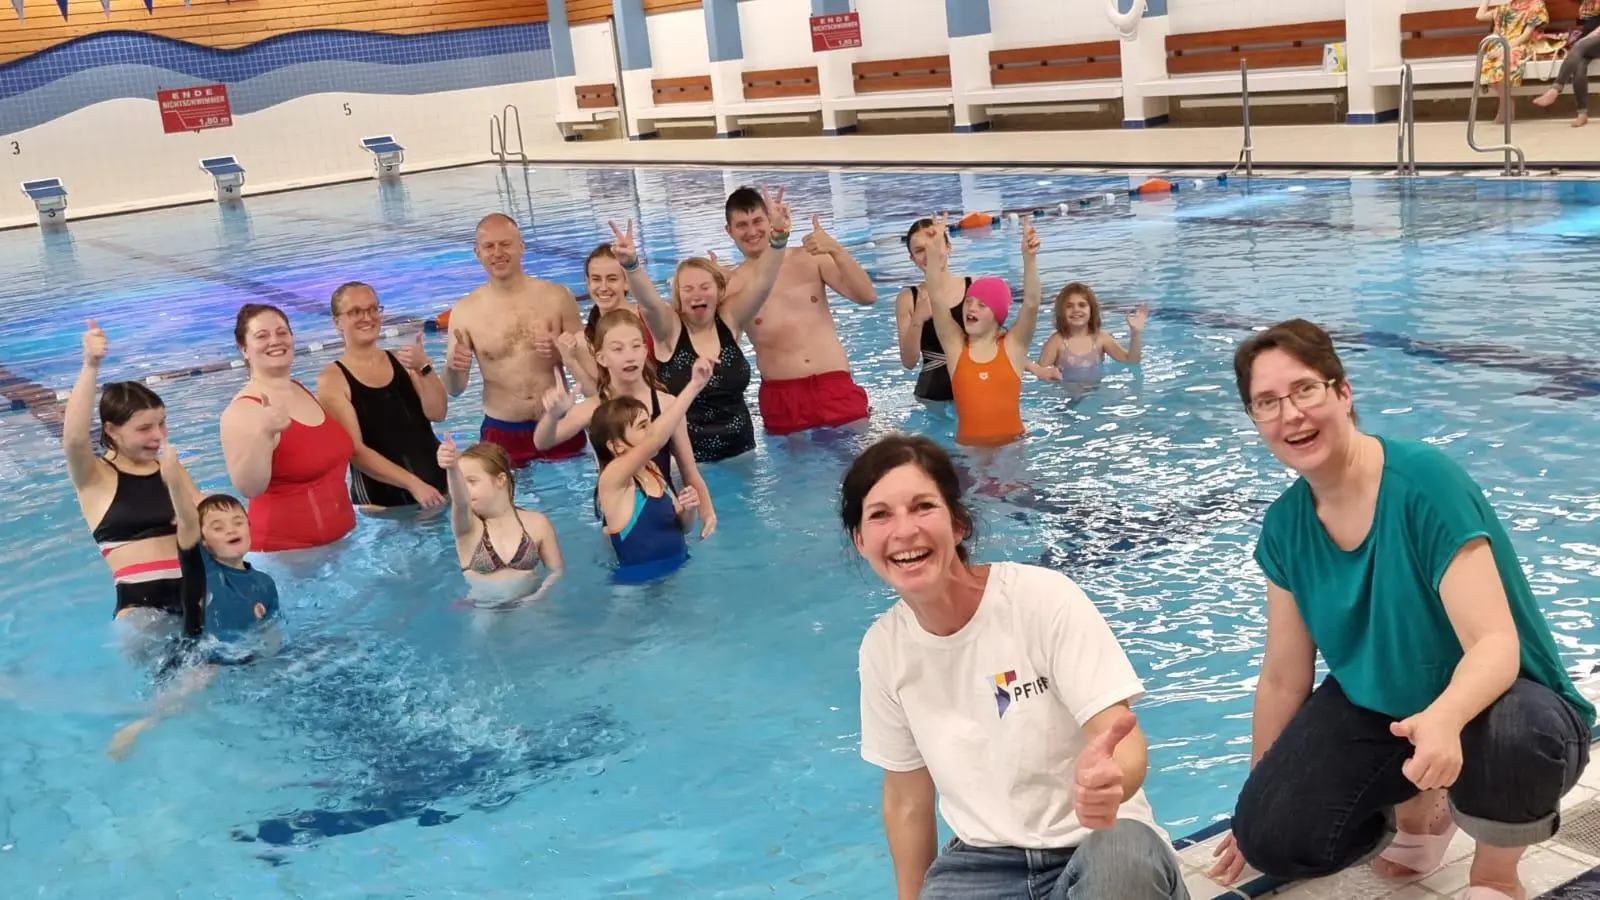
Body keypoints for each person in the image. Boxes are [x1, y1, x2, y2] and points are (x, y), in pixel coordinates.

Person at [1207, 319, 1593, 900]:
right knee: (1271, 836)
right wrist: (1259, 793)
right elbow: (1285, 678)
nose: (1290, 415)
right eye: (1267, 403)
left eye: (1305, 390)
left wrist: (1443, 720)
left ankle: (1495, 872)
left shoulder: (1422, 483)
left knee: (1514, 735)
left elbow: (1494, 645)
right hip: (1381, 707)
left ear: (1343, 391)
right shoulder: (1284, 528)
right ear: (1256, 420)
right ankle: (1420, 809)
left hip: (1506, 701)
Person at [840, 433, 1189, 900]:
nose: (904, 531)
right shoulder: (883, 649)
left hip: (1095, 840)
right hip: (981, 867)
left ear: (958, 523)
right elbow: (907, 800)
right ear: (861, 540)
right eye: (881, 514)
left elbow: (1121, 739)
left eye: (923, 506)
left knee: (1122, 862)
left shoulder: (1041, 599)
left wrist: (1112, 781)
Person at [109, 444, 283, 758]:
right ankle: (139, 726)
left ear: (250, 526)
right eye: (217, 527)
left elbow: (270, 629)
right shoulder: (201, 570)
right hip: (196, 658)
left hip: (238, 655)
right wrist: (173, 478)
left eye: (237, 522)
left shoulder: (265, 583)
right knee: (187, 693)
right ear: (203, 541)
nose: (230, 529)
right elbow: (188, 521)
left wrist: (268, 660)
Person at [610, 188, 792, 462]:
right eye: (688, 289)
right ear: (679, 298)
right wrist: (631, 266)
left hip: (744, 454)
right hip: (687, 462)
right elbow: (648, 303)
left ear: (719, 292)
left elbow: (763, 283)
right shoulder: (669, 329)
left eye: (705, 286)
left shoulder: (729, 320)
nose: (697, 294)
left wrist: (778, 237)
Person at [62, 319, 205, 639]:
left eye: (162, 424)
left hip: (194, 597)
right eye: (144, 429)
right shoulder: (96, 478)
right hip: (142, 613)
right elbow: (73, 441)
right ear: (111, 430)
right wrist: (90, 365)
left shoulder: (168, 466)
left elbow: (203, 517)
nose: (158, 436)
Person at [538, 309, 719, 537]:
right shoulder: (594, 408)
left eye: (636, 346)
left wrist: (707, 512)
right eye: (618, 349)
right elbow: (543, 442)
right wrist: (552, 415)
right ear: (601, 358)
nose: (630, 355)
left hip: (667, 513)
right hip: (618, 520)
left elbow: (689, 471)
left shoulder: (667, 404)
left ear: (645, 351)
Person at [721, 186, 878, 436]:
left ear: (770, 220)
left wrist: (836, 250)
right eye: (742, 225)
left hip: (834, 384)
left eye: (758, 221)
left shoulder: (810, 258)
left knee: (865, 469)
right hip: (782, 398)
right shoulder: (731, 285)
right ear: (729, 231)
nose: (751, 231)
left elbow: (867, 296)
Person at [442, 212, 587, 466]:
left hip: (559, 423)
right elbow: (455, 390)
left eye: (505, 244)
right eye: (489, 246)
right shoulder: (465, 312)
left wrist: (563, 352)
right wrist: (454, 367)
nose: (498, 252)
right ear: (478, 253)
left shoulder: (557, 297)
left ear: (521, 247)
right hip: (503, 430)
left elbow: (588, 371)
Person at [219, 303, 357, 552]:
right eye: (262, 336)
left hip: (341, 545)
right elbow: (248, 487)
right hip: (285, 556)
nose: (275, 341)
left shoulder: (301, 390)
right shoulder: (241, 411)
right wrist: (263, 435)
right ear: (244, 350)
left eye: (282, 332)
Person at [316, 281, 449, 511]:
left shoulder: (403, 361)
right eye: (355, 312)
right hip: (382, 506)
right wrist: (413, 484)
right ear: (338, 322)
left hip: (438, 489)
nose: (367, 317)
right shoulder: (332, 380)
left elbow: (438, 413)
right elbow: (355, 451)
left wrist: (424, 368)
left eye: (372, 309)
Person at [923, 214, 1044, 447]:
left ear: (997, 315)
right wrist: (934, 247)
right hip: (970, 454)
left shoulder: (1013, 346)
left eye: (982, 304)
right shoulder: (956, 347)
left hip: (1011, 450)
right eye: (969, 301)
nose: (971, 307)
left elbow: (1031, 303)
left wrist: (1029, 258)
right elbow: (936, 297)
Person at [590, 357, 713, 584]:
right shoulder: (613, 479)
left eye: (650, 423)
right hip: (636, 586)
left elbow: (683, 528)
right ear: (616, 446)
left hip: (678, 569)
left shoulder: (653, 470)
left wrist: (689, 509)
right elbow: (656, 440)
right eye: (642, 427)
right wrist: (694, 385)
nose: (651, 431)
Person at [435, 436, 563, 608]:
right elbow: (461, 501)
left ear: (501, 480)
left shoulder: (537, 523)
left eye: (471, 481)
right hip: (483, 609)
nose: (465, 488)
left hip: (529, 606)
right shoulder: (469, 528)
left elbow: (556, 571)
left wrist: (538, 595)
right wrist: (451, 469)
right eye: (461, 481)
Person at [894, 217, 971, 404]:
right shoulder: (908, 299)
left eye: (934, 244)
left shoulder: (974, 287)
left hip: (975, 383)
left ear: (948, 247)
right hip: (933, 393)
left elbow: (999, 343)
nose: (928, 254)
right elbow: (909, 362)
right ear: (912, 259)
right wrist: (918, 320)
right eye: (919, 250)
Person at [1029, 282, 1148, 382]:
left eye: (1082, 305)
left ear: (1092, 310)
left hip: (1096, 392)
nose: (1076, 310)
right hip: (1066, 395)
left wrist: (1136, 333)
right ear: (1061, 312)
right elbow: (1041, 373)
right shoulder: (1056, 342)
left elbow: (1131, 360)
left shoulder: (1101, 339)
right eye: (1069, 306)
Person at [1477, 0, 1550, 125]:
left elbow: (1526, 36)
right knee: (1488, 63)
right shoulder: (1504, 8)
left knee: (1502, 63)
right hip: (1501, 45)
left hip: (1521, 45)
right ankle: (1507, 101)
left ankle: (1503, 108)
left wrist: (1503, 50)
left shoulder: (1536, 5)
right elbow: (1480, 16)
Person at [1532, 1, 1600, 127]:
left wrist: (1586, 39)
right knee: (1579, 66)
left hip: (1594, 37)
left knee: (1579, 46)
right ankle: (1582, 113)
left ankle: (1555, 89)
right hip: (1589, 41)